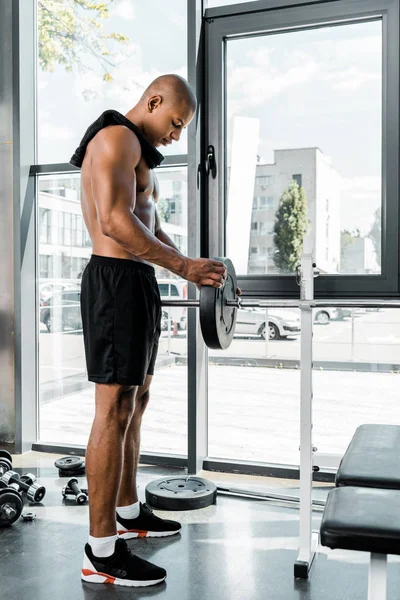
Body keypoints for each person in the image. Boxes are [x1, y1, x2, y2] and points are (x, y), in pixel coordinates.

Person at [69, 74, 227, 588]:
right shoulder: (116, 138)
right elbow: (115, 221)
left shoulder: (138, 150)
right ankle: (100, 550)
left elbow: (147, 222)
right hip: (114, 280)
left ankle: (128, 510)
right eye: (175, 124)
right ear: (153, 101)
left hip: (137, 279)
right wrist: (183, 270)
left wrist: (189, 263)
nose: (176, 136)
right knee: (112, 406)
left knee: (137, 399)